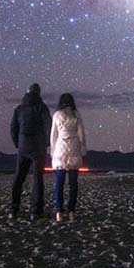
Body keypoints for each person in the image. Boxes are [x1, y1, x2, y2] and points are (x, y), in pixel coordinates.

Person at [10, 83, 51, 220]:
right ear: (38, 93)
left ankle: (13, 210)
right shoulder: (41, 107)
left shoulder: (19, 109)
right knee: (37, 179)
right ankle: (36, 211)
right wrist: (47, 143)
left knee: (19, 178)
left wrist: (18, 144)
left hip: (23, 147)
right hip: (37, 147)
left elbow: (13, 129)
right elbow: (48, 126)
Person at [49, 92, 87, 222]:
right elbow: (81, 134)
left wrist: (53, 151)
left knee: (59, 183)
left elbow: (53, 135)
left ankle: (59, 211)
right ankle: (71, 212)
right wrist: (83, 149)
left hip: (61, 148)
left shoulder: (57, 115)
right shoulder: (76, 114)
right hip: (74, 147)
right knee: (73, 184)